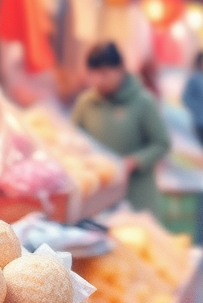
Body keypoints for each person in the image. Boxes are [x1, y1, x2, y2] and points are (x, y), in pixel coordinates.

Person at [72, 42, 171, 213]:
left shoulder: (143, 102)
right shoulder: (86, 103)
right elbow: (72, 137)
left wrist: (133, 162)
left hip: (136, 196)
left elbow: (162, 143)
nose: (99, 80)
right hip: (97, 198)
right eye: (93, 74)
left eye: (104, 74)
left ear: (120, 70)